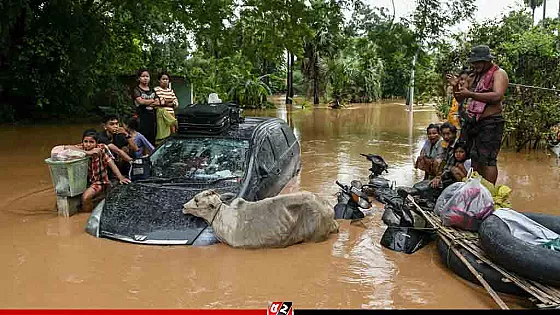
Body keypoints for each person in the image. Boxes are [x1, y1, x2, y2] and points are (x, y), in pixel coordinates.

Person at [450, 45, 509, 185]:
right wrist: (455, 86)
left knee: (488, 159)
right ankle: (475, 188)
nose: (475, 65)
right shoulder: (474, 76)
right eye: (474, 63)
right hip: (473, 121)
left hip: (491, 122)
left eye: (478, 62)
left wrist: (471, 94)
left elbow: (497, 96)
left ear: (487, 60)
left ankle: (489, 192)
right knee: (474, 157)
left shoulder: (499, 73)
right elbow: (460, 98)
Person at [65, 129, 131, 212]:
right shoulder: (81, 148)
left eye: (91, 142)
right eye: (85, 141)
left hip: (99, 181)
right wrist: (86, 152)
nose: (88, 144)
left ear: (96, 143)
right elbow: (63, 148)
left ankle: (87, 218)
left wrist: (120, 177)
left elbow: (111, 163)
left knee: (86, 197)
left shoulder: (101, 149)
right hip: (85, 181)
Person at [133, 68, 163, 145]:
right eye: (143, 76)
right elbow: (140, 101)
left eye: (147, 76)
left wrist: (147, 102)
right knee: (142, 138)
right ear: (139, 78)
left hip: (152, 118)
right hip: (141, 118)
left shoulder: (152, 90)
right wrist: (152, 101)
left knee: (152, 138)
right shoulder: (136, 90)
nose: (145, 78)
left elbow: (159, 102)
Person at [153, 71, 178, 145]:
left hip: (171, 114)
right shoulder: (156, 90)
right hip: (162, 116)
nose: (165, 81)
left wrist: (166, 102)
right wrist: (169, 102)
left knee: (173, 133)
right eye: (163, 79)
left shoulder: (170, 91)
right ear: (159, 80)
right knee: (164, 134)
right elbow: (160, 102)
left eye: (167, 79)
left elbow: (176, 103)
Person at [431, 122, 458, 188]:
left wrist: (440, 177)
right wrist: (438, 176)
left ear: (454, 134)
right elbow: (442, 159)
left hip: (455, 171)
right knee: (437, 161)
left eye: (448, 134)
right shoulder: (445, 144)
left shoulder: (457, 146)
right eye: (443, 134)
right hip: (447, 170)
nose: (445, 137)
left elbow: (450, 166)